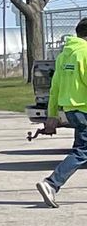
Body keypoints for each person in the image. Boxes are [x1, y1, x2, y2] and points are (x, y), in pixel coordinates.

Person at [36, 17, 87, 206]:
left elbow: (54, 88)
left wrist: (52, 115)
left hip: (71, 110)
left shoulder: (65, 55)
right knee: (82, 151)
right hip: (84, 109)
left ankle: (52, 183)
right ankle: (51, 183)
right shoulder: (85, 53)